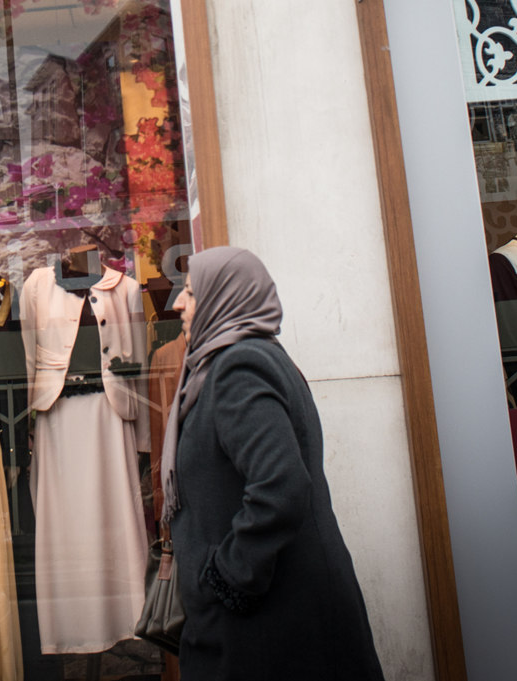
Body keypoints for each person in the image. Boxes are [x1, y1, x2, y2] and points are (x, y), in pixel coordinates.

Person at [160, 246, 384, 681]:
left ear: (223, 297)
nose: (178, 304)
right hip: (274, 619)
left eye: (189, 292)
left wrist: (226, 579)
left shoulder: (238, 367)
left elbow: (280, 487)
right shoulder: (246, 360)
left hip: (270, 624)